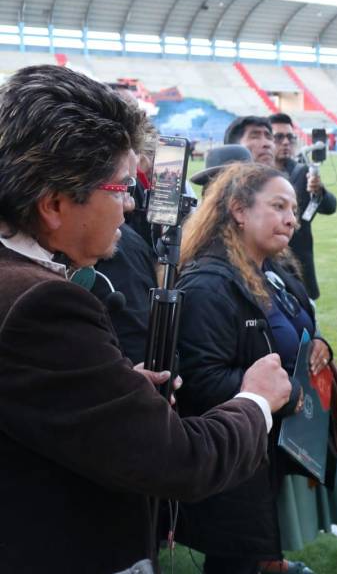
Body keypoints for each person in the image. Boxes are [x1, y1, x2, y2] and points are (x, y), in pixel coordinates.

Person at [0, 64, 290, 572]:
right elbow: (179, 460)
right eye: (120, 188)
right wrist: (256, 401)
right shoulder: (41, 305)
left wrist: (107, 392)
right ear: (53, 204)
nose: (133, 202)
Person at [174, 163, 337, 574]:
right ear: (238, 210)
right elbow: (198, 384)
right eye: (278, 206)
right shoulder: (207, 285)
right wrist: (278, 394)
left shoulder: (272, 270)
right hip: (235, 459)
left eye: (293, 208)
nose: (291, 218)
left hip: (270, 447)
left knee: (254, 548)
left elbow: (299, 330)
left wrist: (318, 347)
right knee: (233, 558)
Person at [270, 113, 337, 300]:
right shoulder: (255, 175)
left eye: (290, 137)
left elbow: (330, 206)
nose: (285, 142)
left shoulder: (304, 171)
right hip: (266, 266)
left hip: (300, 265)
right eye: (278, 137)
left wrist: (319, 190)